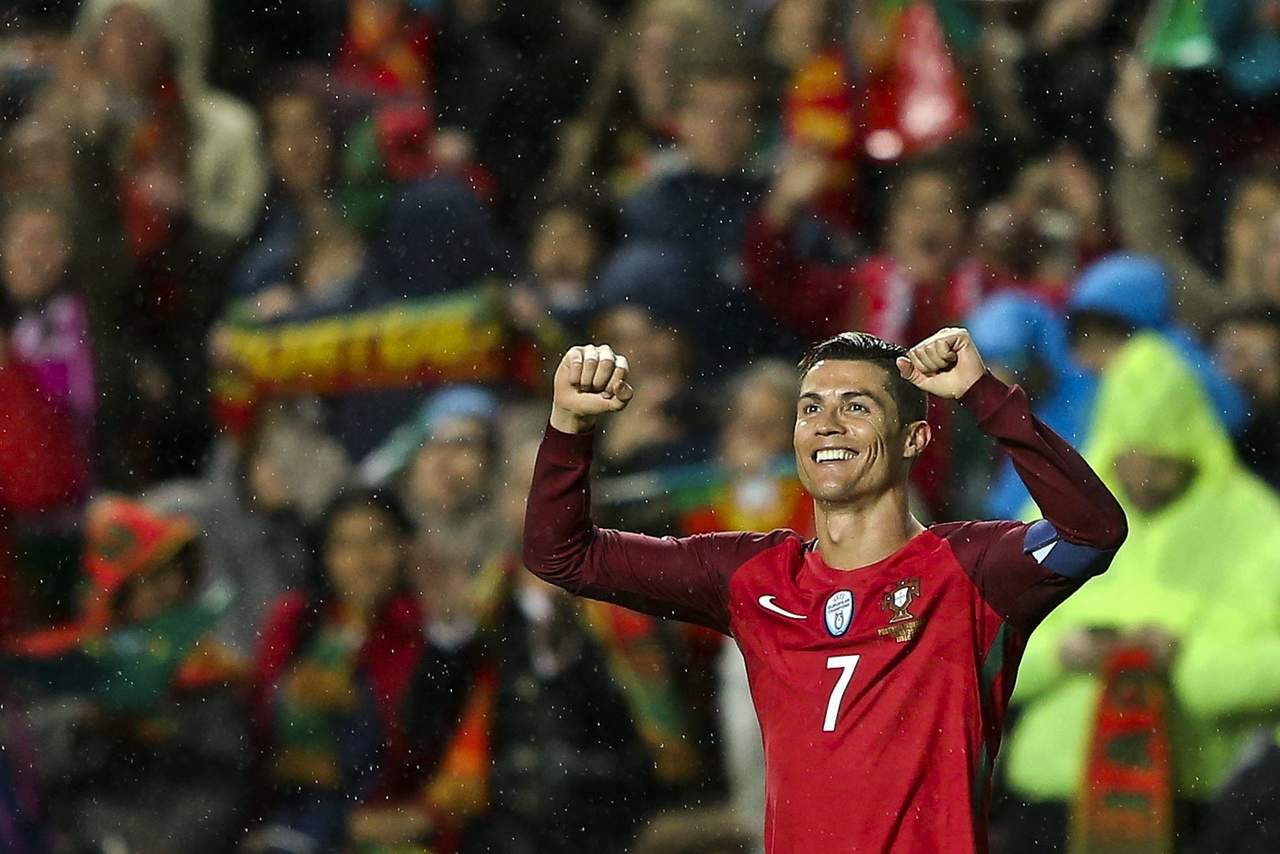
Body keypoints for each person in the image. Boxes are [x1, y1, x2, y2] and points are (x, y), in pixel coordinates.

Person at [523, 328, 1128, 851]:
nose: (826, 424)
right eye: (810, 408)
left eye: (856, 406)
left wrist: (984, 395)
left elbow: (1094, 530)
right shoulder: (752, 576)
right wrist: (569, 427)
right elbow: (562, 554)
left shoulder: (971, 569)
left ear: (914, 438)